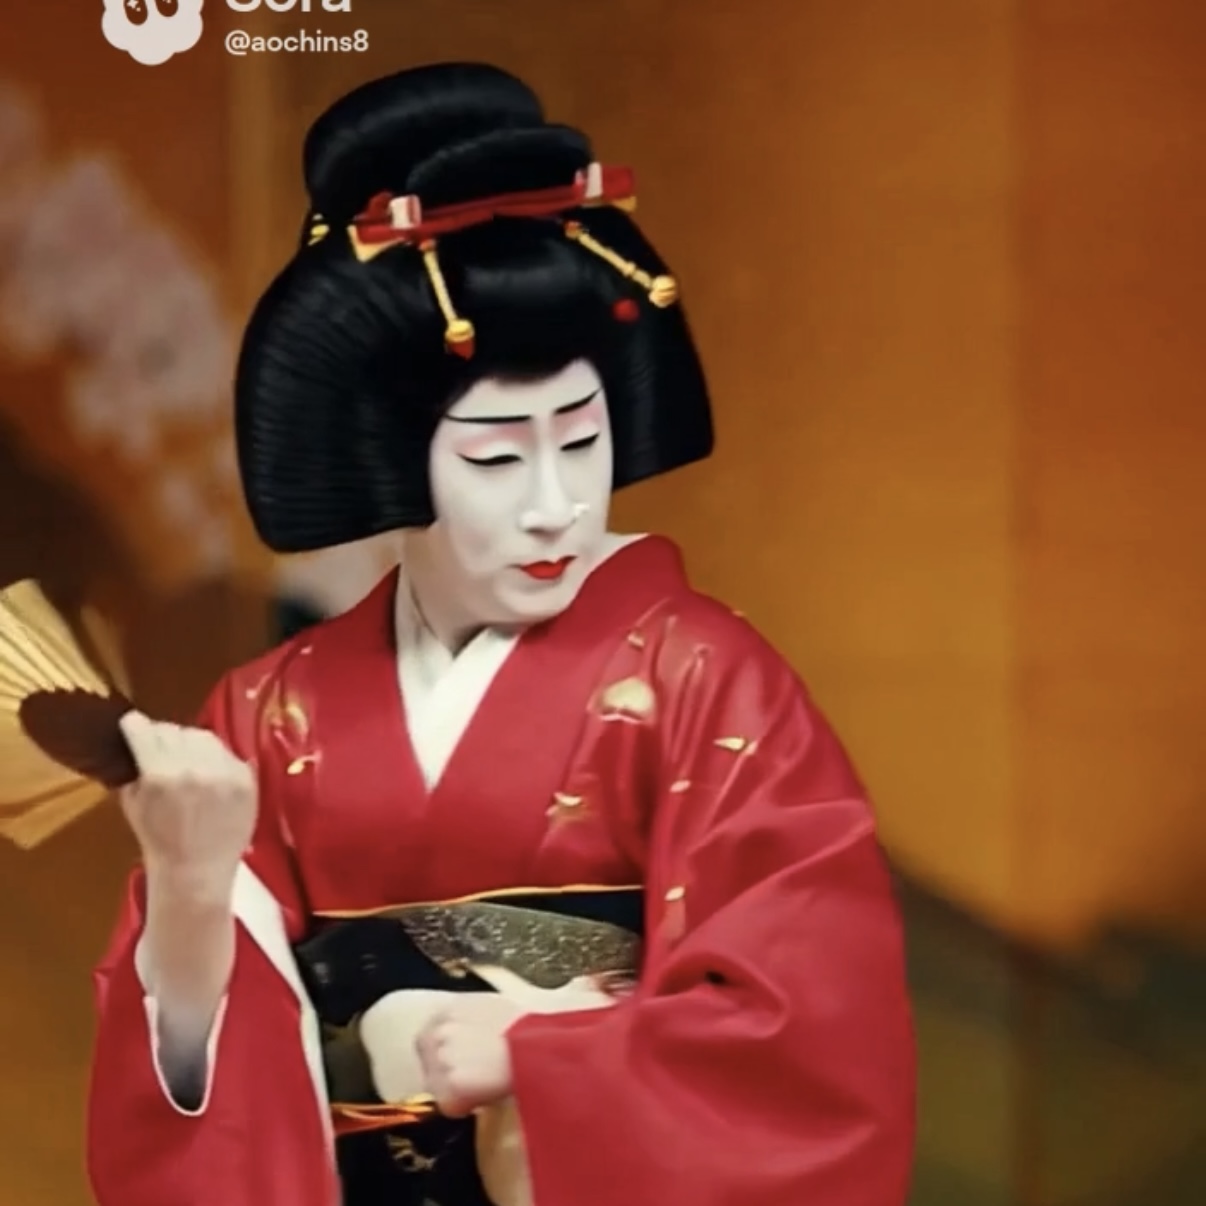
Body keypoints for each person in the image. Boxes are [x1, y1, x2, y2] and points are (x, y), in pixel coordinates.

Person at [84, 61, 916, 1206]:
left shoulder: (706, 682)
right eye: (494, 455)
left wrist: (542, 1056)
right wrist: (187, 889)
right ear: (394, 460)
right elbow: (189, 1096)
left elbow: (816, 1035)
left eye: (581, 440)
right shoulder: (270, 715)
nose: (554, 504)